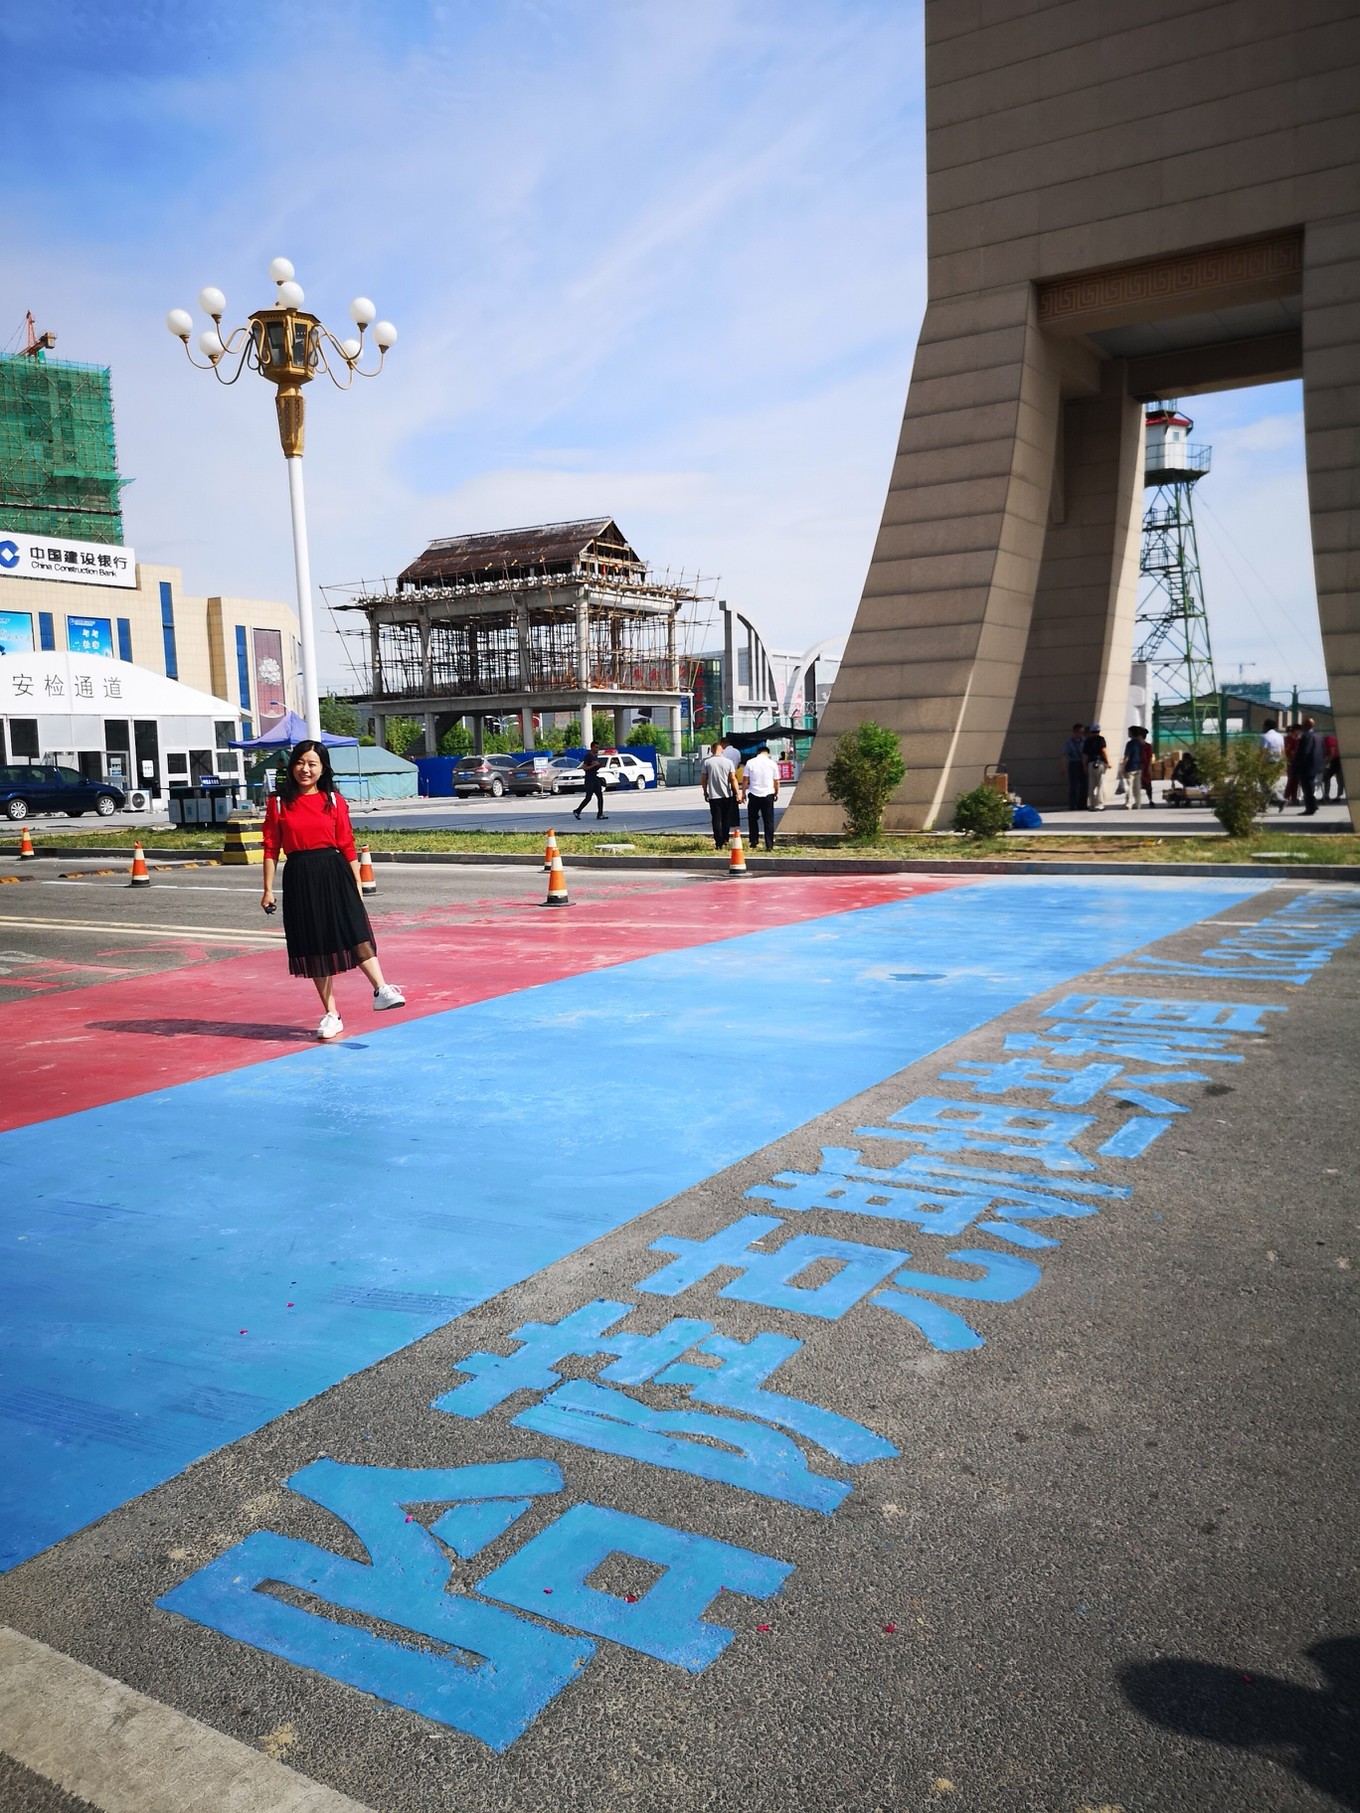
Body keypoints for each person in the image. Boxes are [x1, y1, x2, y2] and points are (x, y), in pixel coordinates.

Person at [261, 740, 405, 1042]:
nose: (305, 769)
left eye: (312, 764)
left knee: (355, 931)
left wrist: (357, 883)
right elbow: (271, 848)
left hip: (335, 871)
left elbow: (347, 844)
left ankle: (381, 989)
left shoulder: (334, 800)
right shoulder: (278, 803)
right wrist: (267, 889)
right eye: (300, 762)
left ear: (323, 769)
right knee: (314, 945)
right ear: (292, 765)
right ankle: (331, 1014)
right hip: (300, 876)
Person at [701, 737, 739, 849]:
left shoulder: (707, 762)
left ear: (712, 750)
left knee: (716, 819)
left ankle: (718, 842)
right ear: (722, 750)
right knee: (726, 818)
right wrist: (737, 792)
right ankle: (725, 839)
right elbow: (733, 778)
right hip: (727, 795)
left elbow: (704, 779)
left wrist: (705, 791)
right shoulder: (728, 762)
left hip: (714, 796)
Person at [743, 742, 780, 851]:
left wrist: (743, 792)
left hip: (753, 793)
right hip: (768, 794)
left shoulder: (750, 762)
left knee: (752, 819)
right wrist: (776, 793)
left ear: (758, 753)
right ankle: (769, 844)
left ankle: (753, 841)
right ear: (767, 753)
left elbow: (745, 779)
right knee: (768, 820)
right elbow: (776, 781)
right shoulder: (772, 763)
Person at [1292, 716, 1323, 816]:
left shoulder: (1306, 736)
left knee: (1307, 788)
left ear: (1306, 725)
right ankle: (1313, 805)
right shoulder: (1318, 736)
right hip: (1316, 765)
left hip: (1307, 766)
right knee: (1310, 786)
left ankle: (1310, 808)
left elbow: (1304, 752)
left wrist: (1296, 764)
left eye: (1303, 724)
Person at [572, 741, 607, 821]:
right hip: (589, 779)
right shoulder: (588, 757)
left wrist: (599, 765)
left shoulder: (595, 756)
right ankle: (577, 811)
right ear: (592, 747)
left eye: (598, 747)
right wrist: (594, 765)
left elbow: (595, 767)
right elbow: (584, 768)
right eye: (596, 747)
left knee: (600, 797)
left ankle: (600, 814)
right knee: (588, 797)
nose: (597, 749)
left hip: (595, 778)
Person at [1120, 725, 1152, 810]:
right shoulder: (1140, 744)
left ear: (1132, 733)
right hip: (1138, 767)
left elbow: (1127, 756)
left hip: (1130, 767)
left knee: (1129, 787)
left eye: (1129, 732)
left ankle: (1128, 803)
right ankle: (1138, 804)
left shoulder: (1130, 744)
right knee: (1137, 787)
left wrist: (1122, 766)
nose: (1128, 733)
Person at [1082, 723, 1110, 811]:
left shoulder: (1087, 741)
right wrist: (1108, 762)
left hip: (1090, 763)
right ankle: (1100, 804)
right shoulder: (1101, 739)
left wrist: (1084, 766)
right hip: (1100, 763)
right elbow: (1103, 750)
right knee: (1100, 784)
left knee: (1091, 785)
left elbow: (1084, 755)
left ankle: (1092, 804)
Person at [1261, 719, 1286, 810]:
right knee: (1271, 783)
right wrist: (1283, 763)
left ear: (1267, 726)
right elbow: (1282, 750)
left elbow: (1263, 751)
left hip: (1268, 762)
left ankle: (1280, 798)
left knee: (1264, 783)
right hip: (1278, 762)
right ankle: (1264, 805)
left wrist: (1258, 762)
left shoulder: (1265, 737)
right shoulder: (1280, 736)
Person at [1062, 723, 1086, 811]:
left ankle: (1082, 805)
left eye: (1082, 732)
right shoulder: (1069, 742)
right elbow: (1064, 755)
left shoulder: (1084, 741)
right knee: (1074, 786)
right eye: (1080, 732)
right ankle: (1073, 805)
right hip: (1073, 763)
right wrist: (1063, 768)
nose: (1081, 734)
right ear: (1075, 732)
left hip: (1083, 764)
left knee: (1084, 785)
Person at [1321, 731, 1345, 802]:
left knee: (1337, 777)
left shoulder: (1328, 739)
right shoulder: (1323, 741)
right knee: (1329, 777)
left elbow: (1332, 752)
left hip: (1337, 759)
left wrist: (1326, 762)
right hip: (1333, 759)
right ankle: (1328, 795)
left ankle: (1337, 796)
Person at [1282, 722, 1301, 804]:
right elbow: (1288, 751)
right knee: (1291, 780)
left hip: (1298, 762)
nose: (1299, 733)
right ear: (1295, 730)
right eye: (1299, 731)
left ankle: (1294, 797)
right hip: (1291, 762)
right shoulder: (1288, 739)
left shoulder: (1298, 739)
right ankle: (1286, 796)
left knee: (1296, 780)